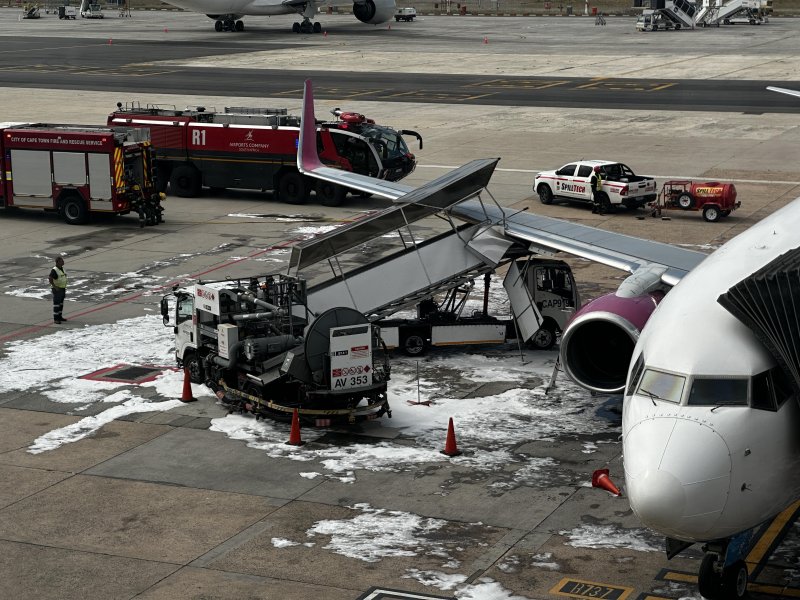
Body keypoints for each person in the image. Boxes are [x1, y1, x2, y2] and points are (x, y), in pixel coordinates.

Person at [48, 256, 68, 324]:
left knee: (61, 304)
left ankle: (60, 317)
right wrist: (54, 286)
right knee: (56, 304)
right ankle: (56, 319)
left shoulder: (62, 268)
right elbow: (50, 278)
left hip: (62, 288)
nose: (63, 262)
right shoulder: (55, 270)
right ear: (58, 262)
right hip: (57, 289)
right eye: (62, 261)